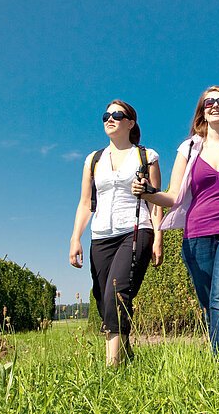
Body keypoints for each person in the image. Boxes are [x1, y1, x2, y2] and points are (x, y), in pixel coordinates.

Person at [132, 85, 219, 355]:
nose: (215, 106)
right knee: (209, 301)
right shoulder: (190, 148)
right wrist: (149, 192)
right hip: (196, 233)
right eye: (209, 103)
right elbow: (172, 197)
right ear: (202, 113)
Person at [69, 99, 163, 366]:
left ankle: (113, 366)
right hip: (100, 236)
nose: (110, 119)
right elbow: (85, 202)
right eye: (106, 115)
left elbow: (156, 202)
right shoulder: (93, 159)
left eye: (117, 115)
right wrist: (75, 237)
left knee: (117, 293)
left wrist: (159, 237)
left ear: (130, 123)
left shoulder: (147, 156)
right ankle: (126, 351)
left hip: (135, 230)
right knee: (102, 299)